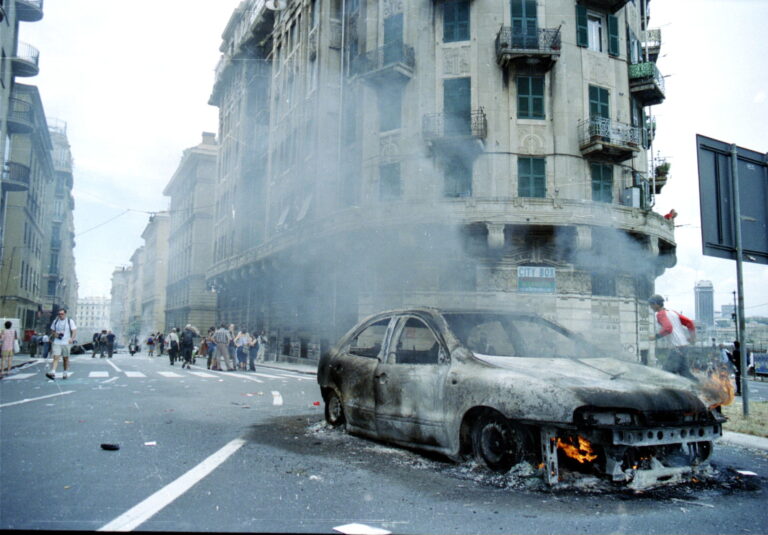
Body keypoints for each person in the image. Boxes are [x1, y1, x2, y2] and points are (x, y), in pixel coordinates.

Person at [648, 294, 696, 380]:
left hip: (676, 349)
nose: (651, 307)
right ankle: (704, 388)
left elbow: (668, 328)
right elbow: (690, 323)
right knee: (685, 374)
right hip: (684, 347)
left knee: (665, 375)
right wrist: (692, 338)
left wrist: (655, 337)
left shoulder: (660, 314)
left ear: (656, 304)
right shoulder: (673, 312)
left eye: (651, 305)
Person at [48, 308, 77, 380]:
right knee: (56, 356)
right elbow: (52, 330)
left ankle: (65, 372)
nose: (60, 315)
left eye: (62, 314)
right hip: (57, 341)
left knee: (65, 358)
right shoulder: (55, 321)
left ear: (65, 314)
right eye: (59, 314)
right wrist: (55, 334)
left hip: (66, 342)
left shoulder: (70, 321)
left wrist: (72, 339)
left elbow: (74, 331)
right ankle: (53, 372)